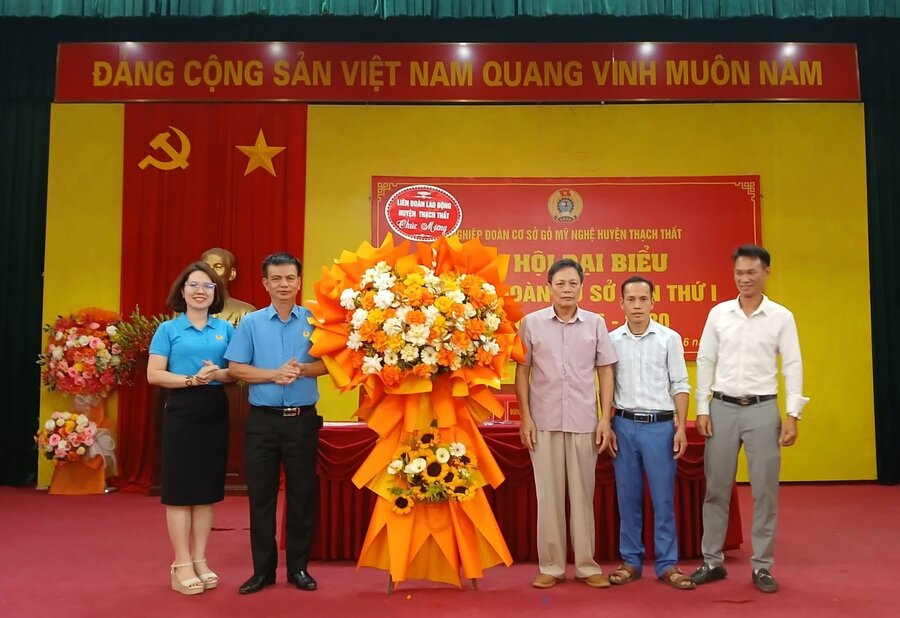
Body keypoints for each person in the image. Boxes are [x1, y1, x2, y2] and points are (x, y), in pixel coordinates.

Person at [690, 244, 808, 593]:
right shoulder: (719, 314)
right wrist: (702, 407)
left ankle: (762, 567)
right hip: (722, 408)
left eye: (751, 273)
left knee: (765, 491)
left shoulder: (781, 317)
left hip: (762, 410)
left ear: (766, 273)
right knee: (716, 489)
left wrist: (792, 414)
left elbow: (792, 365)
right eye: (739, 273)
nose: (744, 279)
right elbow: (706, 360)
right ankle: (712, 561)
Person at [224, 252, 328, 594]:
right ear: (265, 283)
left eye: (290, 278)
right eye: (277, 279)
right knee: (261, 499)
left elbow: (329, 365)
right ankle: (262, 572)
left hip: (302, 421)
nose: (284, 285)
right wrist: (273, 375)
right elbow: (237, 369)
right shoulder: (251, 323)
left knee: (301, 497)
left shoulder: (315, 320)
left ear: (299, 282)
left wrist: (301, 369)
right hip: (262, 423)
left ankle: (299, 570)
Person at [515, 258, 617, 589]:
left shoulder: (596, 323)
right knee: (549, 496)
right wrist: (525, 417)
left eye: (573, 283)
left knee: (583, 496)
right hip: (543, 420)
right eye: (560, 283)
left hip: (584, 420)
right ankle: (552, 565)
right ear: (549, 287)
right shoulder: (531, 324)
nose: (567, 289)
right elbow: (522, 371)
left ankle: (587, 566)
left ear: (582, 287)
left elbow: (605, 370)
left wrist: (605, 418)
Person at [147, 261, 236, 596]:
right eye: (194, 285)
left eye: (208, 286)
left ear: (216, 293)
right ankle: (180, 563)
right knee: (181, 491)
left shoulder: (225, 329)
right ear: (181, 291)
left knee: (206, 492)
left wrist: (218, 373)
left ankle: (200, 559)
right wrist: (190, 379)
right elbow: (154, 374)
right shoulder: (169, 330)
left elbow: (236, 372)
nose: (201, 291)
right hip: (182, 411)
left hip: (215, 410)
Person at [607, 276, 695, 591]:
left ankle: (667, 563)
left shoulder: (669, 338)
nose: (637, 306)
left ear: (653, 303)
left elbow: (681, 384)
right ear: (621, 304)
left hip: (660, 427)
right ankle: (630, 560)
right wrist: (607, 423)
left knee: (663, 499)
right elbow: (605, 388)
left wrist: (681, 426)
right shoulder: (611, 340)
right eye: (631, 300)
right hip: (624, 425)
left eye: (643, 299)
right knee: (627, 498)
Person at [201, 247, 256, 324]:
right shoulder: (184, 311)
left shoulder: (245, 313)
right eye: (205, 267)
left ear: (232, 273)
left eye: (218, 267)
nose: (210, 272)